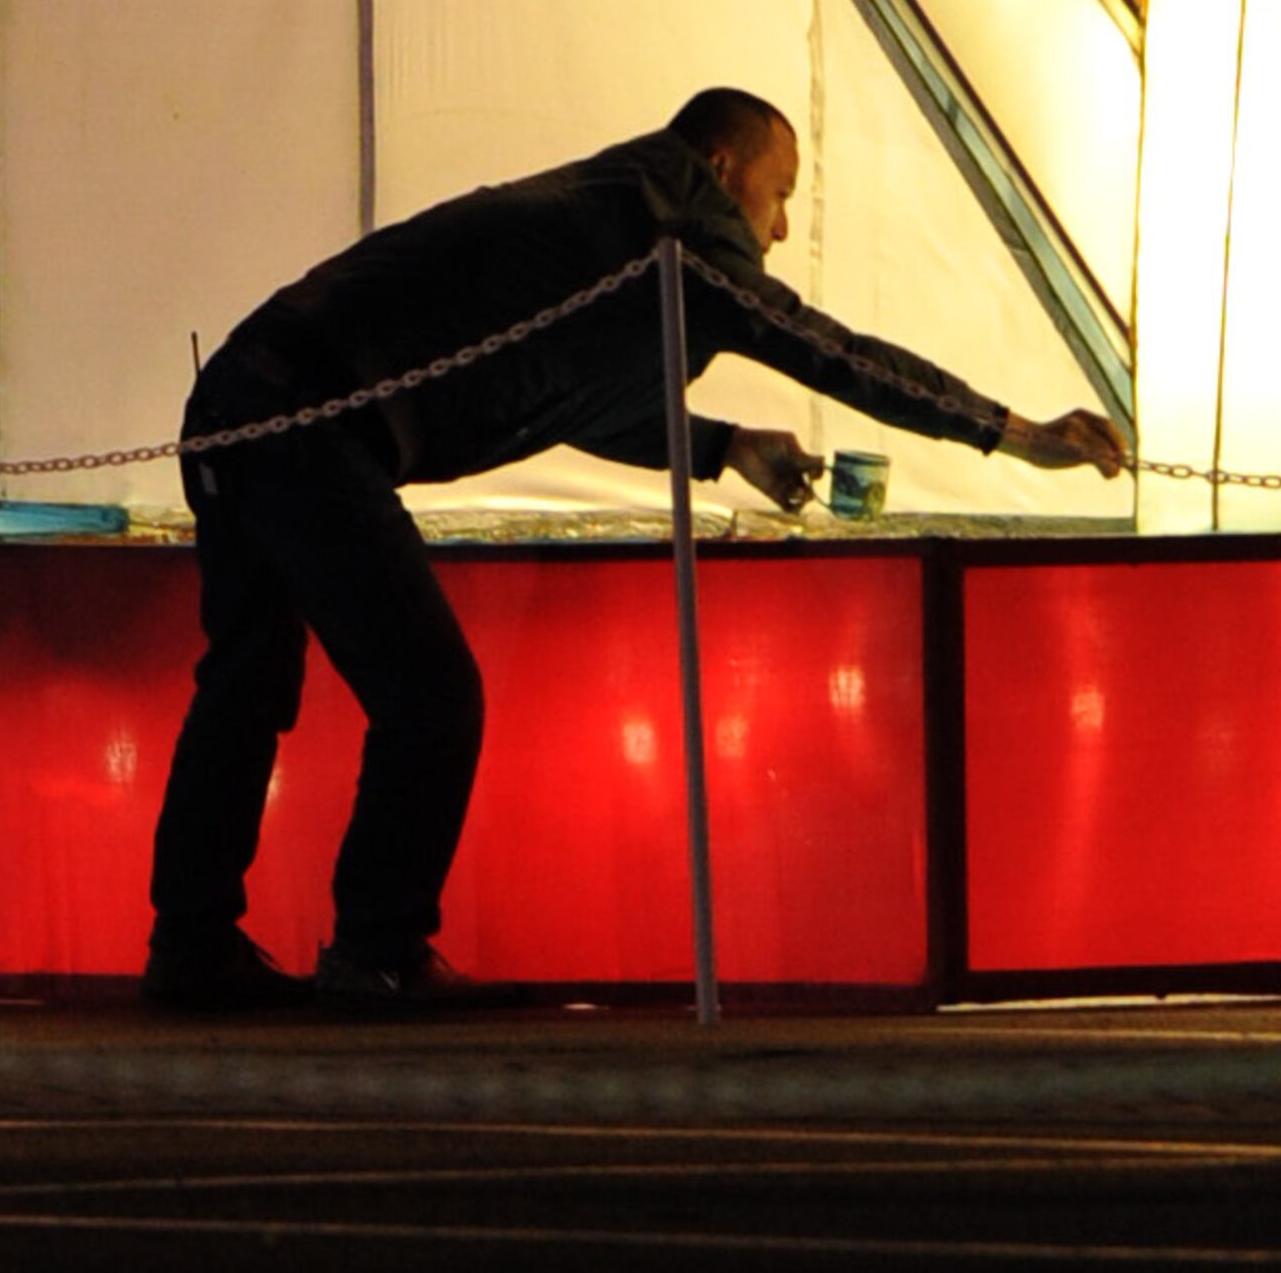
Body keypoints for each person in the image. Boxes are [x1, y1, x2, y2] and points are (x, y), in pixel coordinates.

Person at [142, 87, 1129, 1011]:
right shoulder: (681, 230)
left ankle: (192, 946)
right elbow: (832, 352)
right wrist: (1013, 433)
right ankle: (378, 951)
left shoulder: (606, 213)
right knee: (429, 694)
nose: (782, 229)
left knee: (247, 683)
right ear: (723, 165)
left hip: (243, 392)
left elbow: (561, 393)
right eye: (781, 193)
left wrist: (723, 446)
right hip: (317, 428)